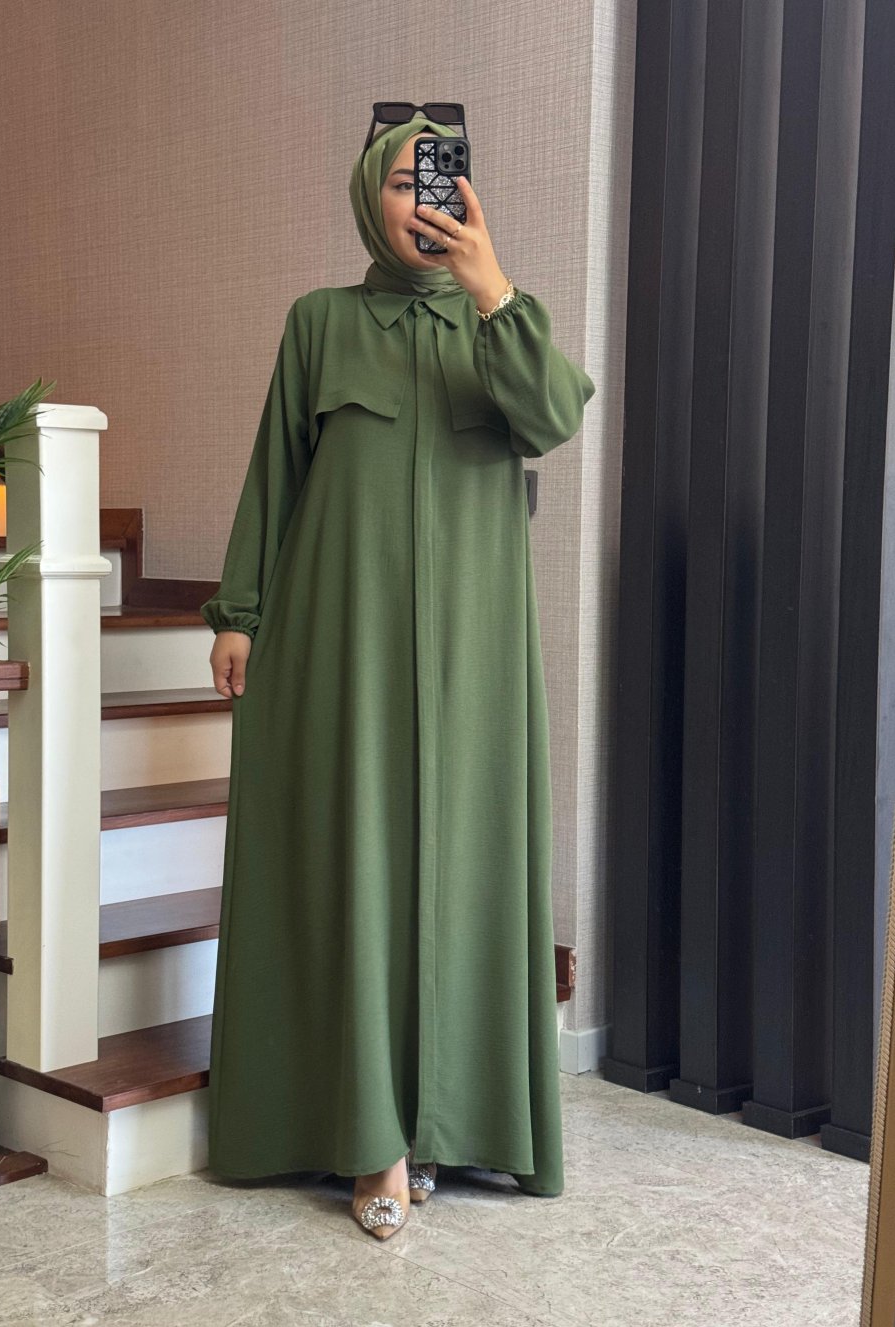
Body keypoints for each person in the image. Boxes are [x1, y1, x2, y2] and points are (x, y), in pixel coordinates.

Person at [201, 112, 595, 1241]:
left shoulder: (504, 321)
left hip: (475, 652)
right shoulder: (319, 322)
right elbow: (277, 469)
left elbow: (552, 420)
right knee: (354, 862)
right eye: (402, 181)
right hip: (342, 640)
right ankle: (372, 1138)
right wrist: (239, 613)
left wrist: (492, 288)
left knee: (464, 864)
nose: (424, 199)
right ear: (367, 197)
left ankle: (455, 1123)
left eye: (441, 179)